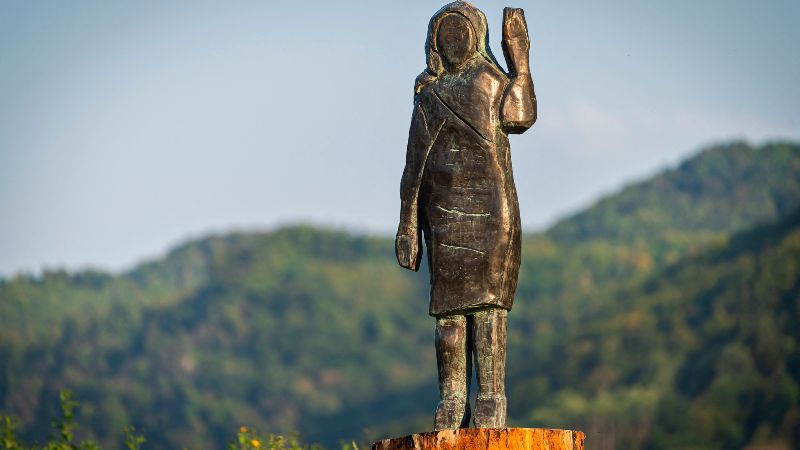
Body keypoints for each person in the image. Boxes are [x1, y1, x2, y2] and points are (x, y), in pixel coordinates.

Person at [395, 1, 537, 430]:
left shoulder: (492, 81)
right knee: (449, 314)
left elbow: (521, 116)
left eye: (460, 33)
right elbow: (414, 165)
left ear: (476, 37)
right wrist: (407, 224)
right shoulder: (428, 95)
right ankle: (452, 400)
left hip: (491, 208)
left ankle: (491, 398)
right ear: (435, 42)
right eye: (446, 35)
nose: (453, 42)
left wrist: (520, 59)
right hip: (442, 214)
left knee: (489, 308)